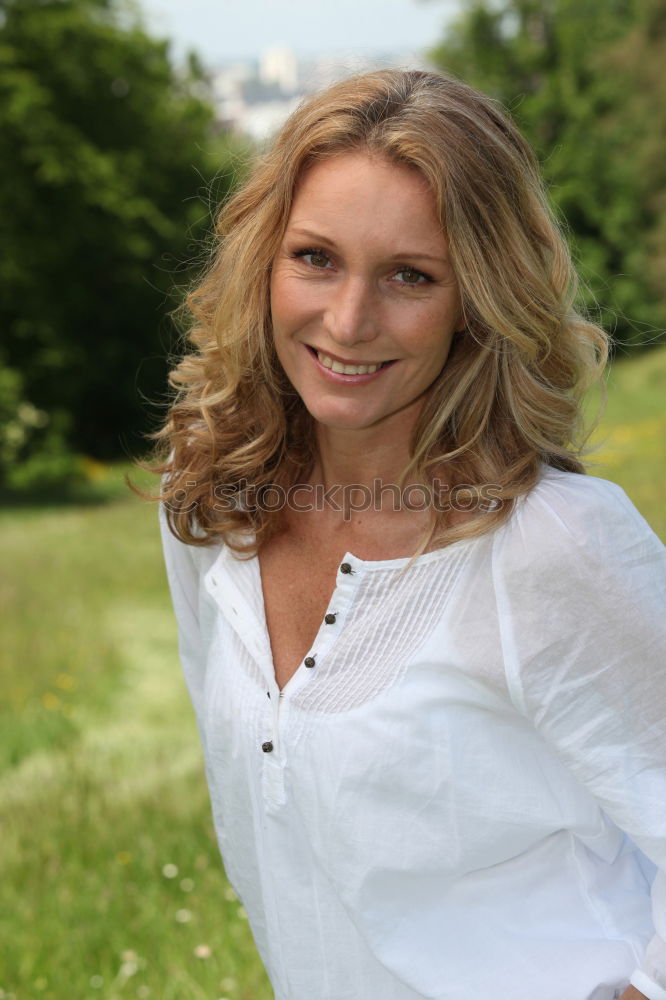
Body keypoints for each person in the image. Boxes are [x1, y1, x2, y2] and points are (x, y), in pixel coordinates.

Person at [147, 69, 666, 1000]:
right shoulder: (209, 510)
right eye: (315, 258)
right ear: (263, 258)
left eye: (410, 276)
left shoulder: (554, 548)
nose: (348, 321)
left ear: (479, 300)